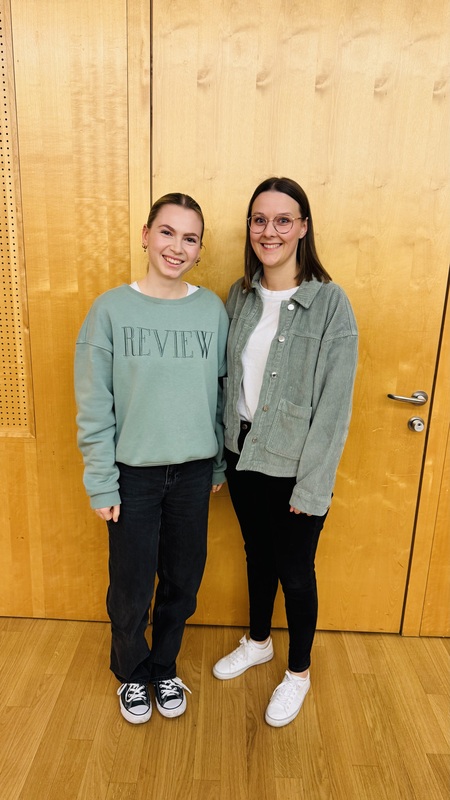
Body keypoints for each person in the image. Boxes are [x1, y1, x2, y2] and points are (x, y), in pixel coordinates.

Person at [75, 193, 228, 724]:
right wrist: (101, 481)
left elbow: (221, 393)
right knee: (132, 586)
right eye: (167, 232)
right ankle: (132, 673)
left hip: (193, 474)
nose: (176, 247)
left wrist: (216, 465)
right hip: (132, 476)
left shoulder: (211, 311)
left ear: (200, 249)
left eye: (190, 238)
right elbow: (94, 404)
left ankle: (164, 667)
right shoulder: (110, 310)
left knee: (183, 582)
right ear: (145, 235)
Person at [212, 177, 358, 727]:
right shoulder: (239, 295)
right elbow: (227, 383)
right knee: (257, 554)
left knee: (295, 570)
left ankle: (298, 672)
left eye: (282, 220)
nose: (268, 231)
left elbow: (333, 408)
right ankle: (258, 642)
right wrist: (219, 455)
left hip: (295, 465)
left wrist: (313, 487)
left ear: (302, 227)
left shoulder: (329, 303)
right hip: (242, 453)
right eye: (259, 219)